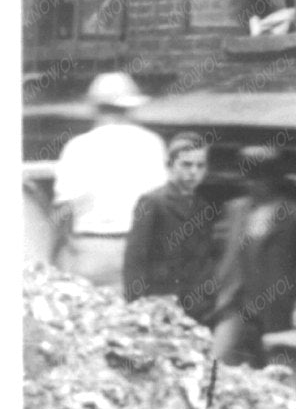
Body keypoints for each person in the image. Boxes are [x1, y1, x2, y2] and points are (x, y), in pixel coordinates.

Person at [51, 71, 168, 288]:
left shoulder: (77, 147)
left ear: (95, 107)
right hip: (135, 249)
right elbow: (162, 206)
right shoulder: (152, 144)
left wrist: (61, 253)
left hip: (87, 250)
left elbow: (63, 211)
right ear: (131, 107)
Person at [209, 146, 296, 368]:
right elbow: (222, 254)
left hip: (275, 308)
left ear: (275, 179)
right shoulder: (234, 209)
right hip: (235, 304)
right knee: (217, 364)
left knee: (273, 371)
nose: (253, 184)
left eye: (260, 178)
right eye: (248, 177)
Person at [123, 132, 218, 323]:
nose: (193, 172)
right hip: (157, 302)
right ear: (170, 165)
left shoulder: (203, 207)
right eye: (186, 164)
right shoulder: (153, 202)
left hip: (193, 305)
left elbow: (204, 259)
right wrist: (138, 304)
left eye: (200, 166)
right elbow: (135, 258)